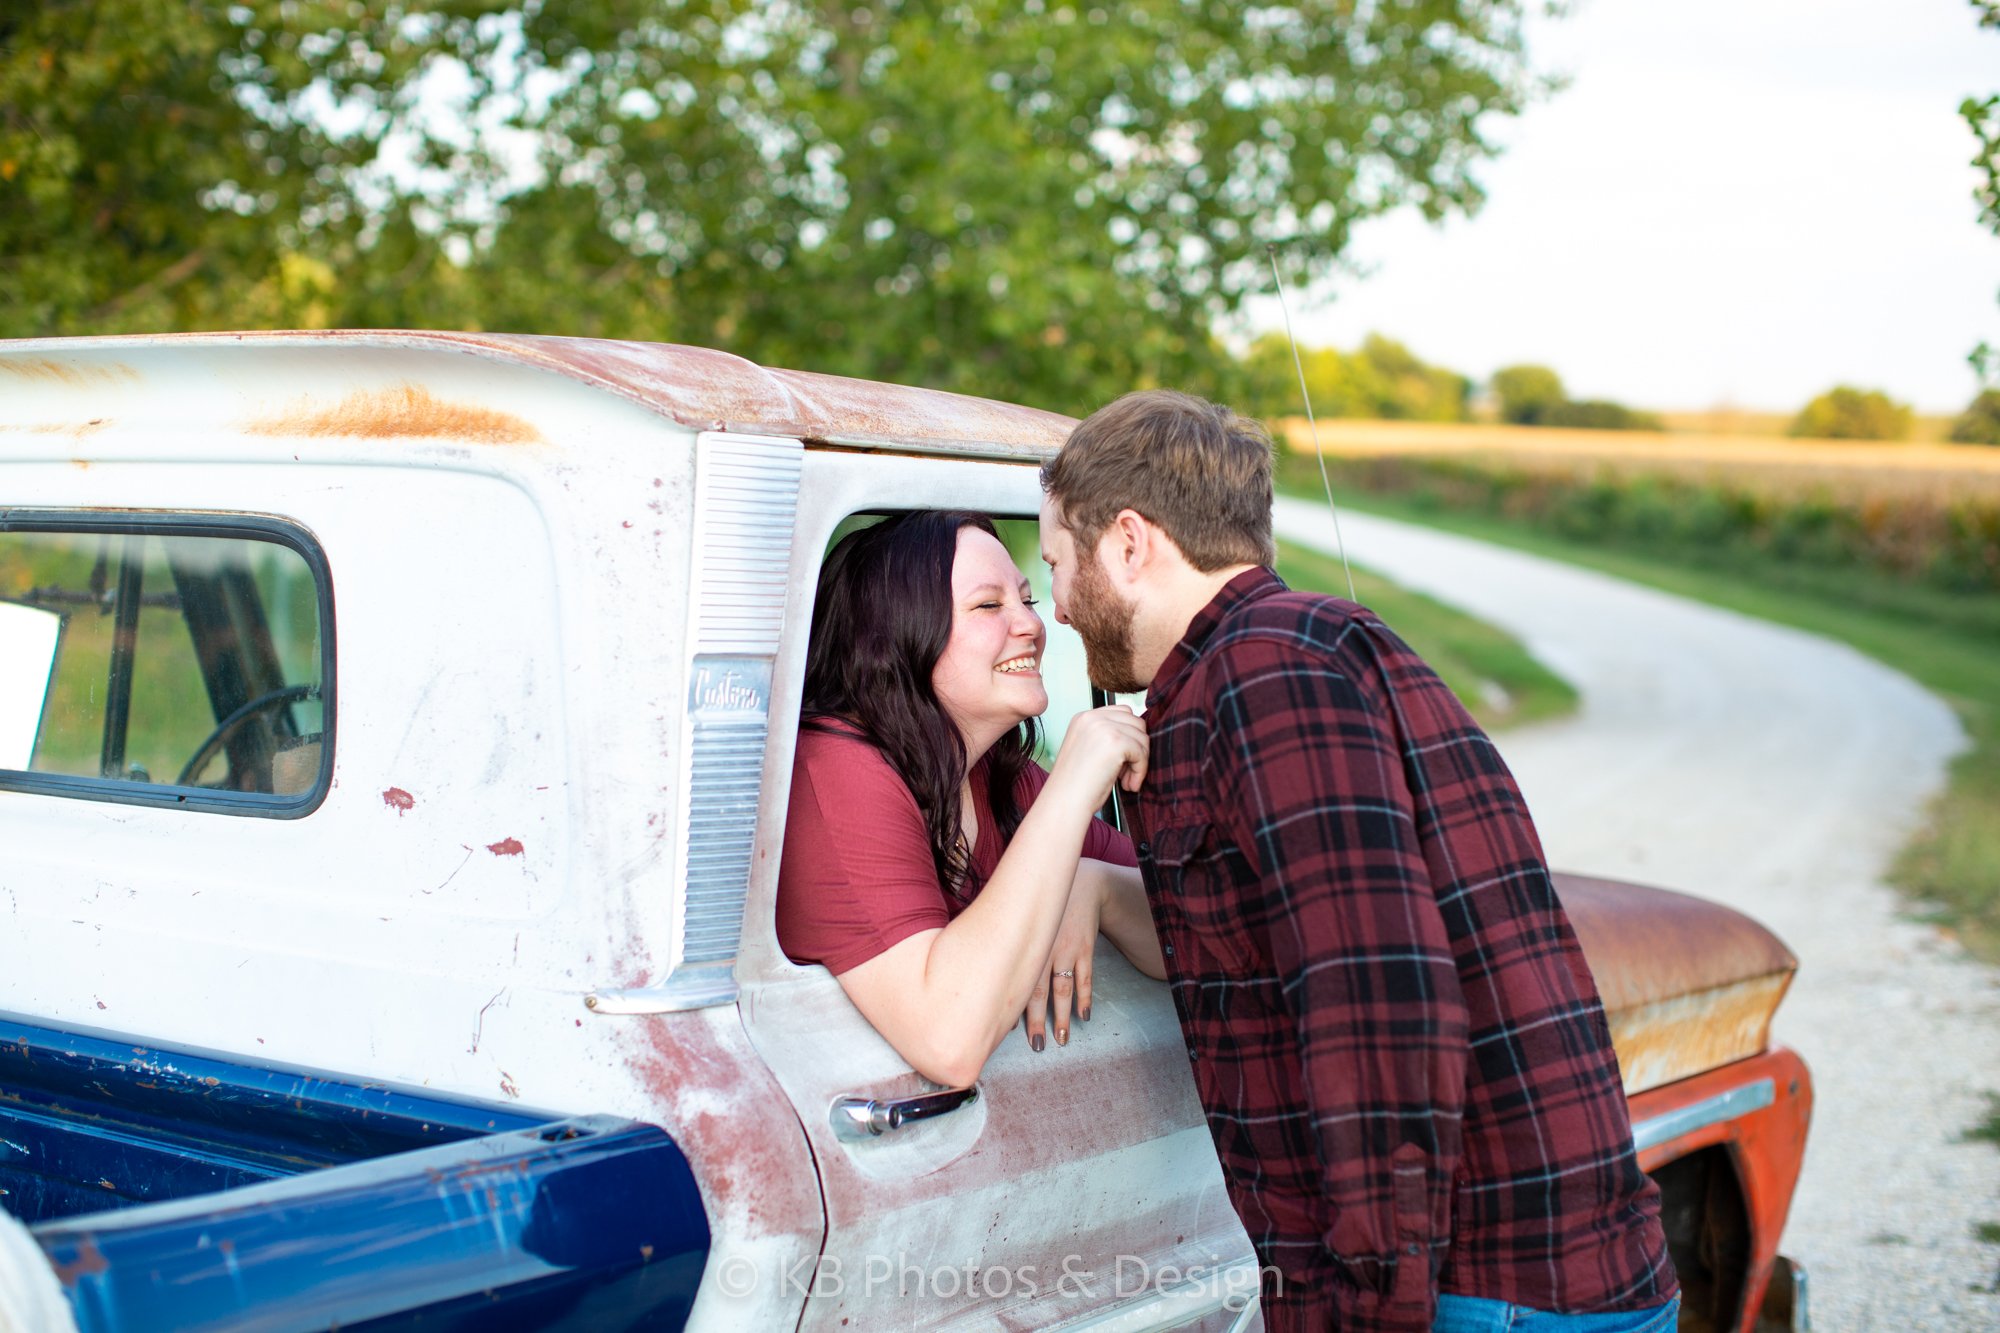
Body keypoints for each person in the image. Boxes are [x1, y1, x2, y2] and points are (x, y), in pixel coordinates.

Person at [1037, 392, 1678, 1333]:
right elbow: (1269, 937)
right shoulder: (1293, 652)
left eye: (1055, 563)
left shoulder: (1266, 679)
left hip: (1481, 1292)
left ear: (1130, 542)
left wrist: (1369, 1309)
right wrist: (1093, 881)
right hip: (1507, 1279)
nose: (1053, 605)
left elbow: (1381, 1002)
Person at [776, 509, 1164, 1089]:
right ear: (895, 634)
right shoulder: (834, 771)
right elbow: (948, 1041)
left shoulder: (993, 776)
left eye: (1028, 601)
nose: (1032, 626)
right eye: (989, 606)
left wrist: (1097, 886)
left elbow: (1188, 935)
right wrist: (1075, 783)